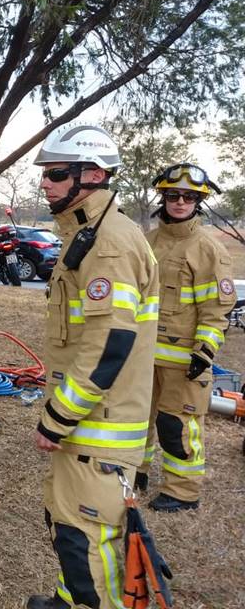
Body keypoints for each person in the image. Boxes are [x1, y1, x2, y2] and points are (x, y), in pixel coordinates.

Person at [28, 122, 158, 609]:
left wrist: (60, 414)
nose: (46, 182)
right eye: (46, 173)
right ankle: (71, 598)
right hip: (87, 417)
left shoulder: (110, 243)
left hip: (98, 421)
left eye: (57, 173)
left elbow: (110, 341)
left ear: (95, 174)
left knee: (86, 532)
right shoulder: (87, 234)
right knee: (68, 523)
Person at [139, 164, 234, 512]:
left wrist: (204, 351)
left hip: (184, 361)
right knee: (136, 421)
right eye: (173, 195)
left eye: (189, 196)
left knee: (176, 426)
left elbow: (216, 309)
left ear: (199, 201)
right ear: (163, 198)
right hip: (143, 355)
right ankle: (137, 472)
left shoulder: (208, 250)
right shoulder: (146, 242)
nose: (180, 202)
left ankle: (182, 491)